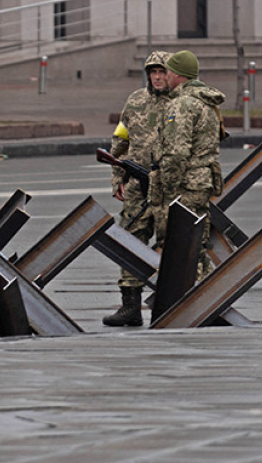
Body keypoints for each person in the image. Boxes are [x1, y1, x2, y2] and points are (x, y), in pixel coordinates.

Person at [102, 51, 172, 328]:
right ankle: (130, 305)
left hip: (168, 187)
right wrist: (117, 175)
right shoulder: (136, 100)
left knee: (172, 242)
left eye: (162, 72)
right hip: (136, 187)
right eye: (153, 72)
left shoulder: (182, 104)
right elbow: (121, 138)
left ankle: (172, 300)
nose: (157, 77)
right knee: (130, 241)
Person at [151, 50, 226, 285]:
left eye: (168, 71)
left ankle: (192, 298)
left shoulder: (181, 105)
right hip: (201, 181)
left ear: (178, 75)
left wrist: (168, 187)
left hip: (185, 185)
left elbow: (176, 152)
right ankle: (205, 295)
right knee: (197, 245)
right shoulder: (205, 101)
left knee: (182, 247)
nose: (166, 76)